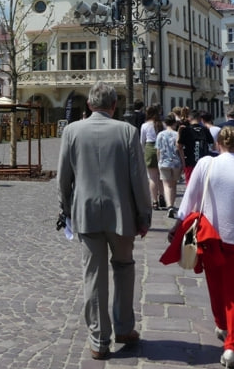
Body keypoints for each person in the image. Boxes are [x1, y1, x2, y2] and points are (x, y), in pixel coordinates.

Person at [57, 81, 152, 360]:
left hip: (86, 214)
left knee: (94, 275)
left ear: (89, 105)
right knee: (124, 267)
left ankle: (99, 340)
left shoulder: (72, 131)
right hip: (121, 214)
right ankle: (123, 328)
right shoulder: (127, 131)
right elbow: (139, 179)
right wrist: (144, 215)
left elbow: (64, 177)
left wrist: (65, 210)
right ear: (114, 105)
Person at [169, 126, 234, 368]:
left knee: (215, 286)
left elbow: (190, 198)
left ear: (219, 145)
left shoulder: (206, 164)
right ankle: (231, 347)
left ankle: (222, 325)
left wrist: (177, 225)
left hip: (209, 237)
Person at [155, 113, 184, 219]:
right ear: (174, 123)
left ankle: (169, 206)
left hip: (164, 162)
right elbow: (180, 149)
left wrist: (159, 162)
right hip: (176, 162)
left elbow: (158, 150)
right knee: (173, 185)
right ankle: (172, 204)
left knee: (166, 185)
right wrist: (183, 163)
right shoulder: (177, 134)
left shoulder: (160, 135)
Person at [177, 109, 213, 188]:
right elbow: (212, 145)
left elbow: (179, 146)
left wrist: (179, 132)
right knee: (203, 185)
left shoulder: (186, 130)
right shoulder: (205, 129)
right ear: (199, 118)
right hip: (203, 162)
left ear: (189, 118)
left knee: (190, 186)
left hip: (189, 161)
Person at [140, 105, 164, 209]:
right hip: (161, 149)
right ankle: (162, 197)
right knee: (161, 177)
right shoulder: (162, 124)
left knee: (152, 178)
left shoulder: (145, 125)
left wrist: (142, 152)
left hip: (150, 148)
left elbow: (142, 141)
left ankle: (154, 201)